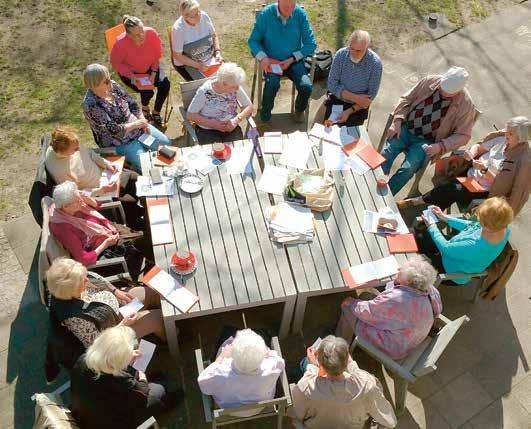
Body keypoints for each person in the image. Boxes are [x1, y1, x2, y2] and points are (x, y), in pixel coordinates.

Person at [397, 116, 531, 216]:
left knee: (454, 188)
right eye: (507, 130)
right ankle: (431, 214)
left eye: (511, 133)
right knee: (449, 174)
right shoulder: (502, 139)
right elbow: (479, 147)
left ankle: (417, 202)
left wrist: (484, 170)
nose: (506, 133)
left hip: (484, 190)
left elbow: (505, 186)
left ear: (521, 138)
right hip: (470, 173)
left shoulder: (523, 160)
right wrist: (471, 152)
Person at [381, 66, 476, 195]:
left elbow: (463, 135)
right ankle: (374, 185)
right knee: (385, 154)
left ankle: (385, 197)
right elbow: (406, 99)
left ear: (459, 91)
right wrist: (397, 120)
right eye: (442, 89)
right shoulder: (429, 81)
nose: (444, 93)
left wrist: (441, 146)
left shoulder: (466, 104)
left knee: (408, 169)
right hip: (406, 128)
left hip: (426, 142)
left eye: (449, 93)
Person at [70, 326, 176, 429]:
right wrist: (143, 378)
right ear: (117, 360)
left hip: (88, 416)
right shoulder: (118, 378)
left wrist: (127, 356)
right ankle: (166, 404)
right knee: (158, 389)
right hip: (114, 423)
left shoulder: (83, 359)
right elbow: (143, 391)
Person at [336, 258, 442, 359]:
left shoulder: (397, 299)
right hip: (410, 339)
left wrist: (350, 302)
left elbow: (367, 313)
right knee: (366, 295)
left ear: (409, 281)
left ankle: (339, 352)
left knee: (348, 307)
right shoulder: (432, 291)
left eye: (401, 270)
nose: (398, 269)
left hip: (393, 346)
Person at [48, 181, 150, 279]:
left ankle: (151, 260)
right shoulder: (63, 228)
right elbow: (84, 259)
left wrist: (88, 199)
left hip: (109, 227)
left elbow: (98, 205)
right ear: (66, 206)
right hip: (107, 243)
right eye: (78, 200)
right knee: (146, 239)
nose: (81, 201)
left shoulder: (66, 203)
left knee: (145, 236)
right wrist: (106, 243)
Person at [291, 335, 397, 428]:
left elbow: (297, 414)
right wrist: (351, 363)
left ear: (321, 365)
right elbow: (390, 421)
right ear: (346, 361)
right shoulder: (367, 385)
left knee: (304, 363)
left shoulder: (306, 386)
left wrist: (311, 366)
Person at [82, 63, 171, 172]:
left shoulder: (113, 86)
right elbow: (116, 131)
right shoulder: (91, 105)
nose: (110, 82)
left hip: (139, 128)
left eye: (109, 78)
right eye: (106, 81)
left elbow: (132, 104)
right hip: (122, 141)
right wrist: (139, 124)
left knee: (167, 146)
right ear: (94, 86)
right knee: (148, 167)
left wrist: (143, 121)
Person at [248, 0, 317, 124]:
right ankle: (265, 117)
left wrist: (292, 58)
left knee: (306, 86)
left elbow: (311, 43)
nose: (290, 9)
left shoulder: (300, 14)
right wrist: (264, 58)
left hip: (293, 60)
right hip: (272, 61)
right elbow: (253, 41)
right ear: (278, 1)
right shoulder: (266, 14)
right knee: (272, 85)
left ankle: (299, 111)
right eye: (286, 6)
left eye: (293, 5)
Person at [417, 197, 513, 284]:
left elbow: (446, 248)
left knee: (416, 252)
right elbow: (472, 226)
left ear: (488, 224)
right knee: (420, 235)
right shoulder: (502, 226)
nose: (478, 218)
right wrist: (444, 217)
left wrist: (432, 226)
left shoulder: (475, 245)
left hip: (449, 268)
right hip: (455, 250)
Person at [197, 328, 285, 417]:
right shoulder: (272, 366)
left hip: (228, 410)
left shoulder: (220, 372)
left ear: (232, 354)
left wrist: (221, 357)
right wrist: (268, 352)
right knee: (261, 332)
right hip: (260, 407)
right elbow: (279, 360)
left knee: (227, 331)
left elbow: (204, 386)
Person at [110, 15, 171, 126]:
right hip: (132, 74)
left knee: (165, 84)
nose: (142, 36)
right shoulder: (120, 44)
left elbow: (157, 54)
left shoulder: (151, 33)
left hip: (150, 67)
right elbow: (116, 64)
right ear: (128, 35)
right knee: (147, 91)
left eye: (142, 31)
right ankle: (145, 108)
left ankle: (156, 112)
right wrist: (132, 76)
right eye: (137, 35)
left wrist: (153, 72)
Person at [323, 30, 382, 126]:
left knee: (350, 138)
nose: (354, 53)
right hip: (337, 100)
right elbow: (331, 85)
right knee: (328, 131)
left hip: (357, 108)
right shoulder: (340, 55)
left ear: (367, 47)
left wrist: (350, 111)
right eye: (352, 48)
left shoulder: (375, 64)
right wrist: (355, 97)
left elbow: (369, 98)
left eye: (359, 50)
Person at [186, 62, 253, 144]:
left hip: (230, 127)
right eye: (234, 87)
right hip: (208, 129)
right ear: (224, 84)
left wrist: (236, 120)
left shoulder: (234, 85)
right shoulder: (205, 91)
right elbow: (190, 115)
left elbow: (249, 106)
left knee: (237, 152)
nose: (237, 89)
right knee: (215, 154)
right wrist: (214, 124)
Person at [171, 0, 222, 81]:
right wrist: (198, 66)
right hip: (191, 64)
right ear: (186, 17)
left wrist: (217, 52)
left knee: (226, 78)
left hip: (210, 60)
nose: (199, 16)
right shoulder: (178, 29)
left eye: (199, 11)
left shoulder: (204, 16)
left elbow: (214, 35)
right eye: (195, 15)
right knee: (207, 87)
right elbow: (178, 56)